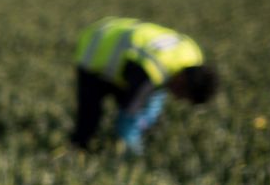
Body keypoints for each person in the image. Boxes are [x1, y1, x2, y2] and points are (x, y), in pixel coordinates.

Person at [70, 17, 218, 155]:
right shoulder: (152, 70)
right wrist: (129, 143)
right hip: (97, 47)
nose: (178, 98)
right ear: (183, 83)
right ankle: (79, 148)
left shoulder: (193, 56)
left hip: (122, 39)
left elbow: (153, 95)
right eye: (182, 96)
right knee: (90, 114)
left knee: (137, 106)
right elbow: (130, 111)